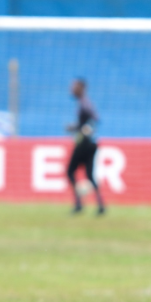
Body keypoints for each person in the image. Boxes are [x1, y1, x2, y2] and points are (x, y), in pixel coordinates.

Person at [66, 78, 105, 215]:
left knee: (70, 171)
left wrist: (78, 128)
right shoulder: (85, 103)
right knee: (89, 175)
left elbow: (94, 119)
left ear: (81, 88)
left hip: (84, 144)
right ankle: (100, 205)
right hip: (90, 143)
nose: (71, 88)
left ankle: (78, 203)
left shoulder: (84, 104)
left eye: (74, 86)